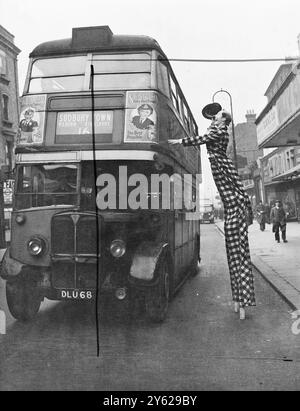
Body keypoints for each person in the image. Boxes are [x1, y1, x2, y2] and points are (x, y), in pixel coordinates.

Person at [168, 103, 255, 320]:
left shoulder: (219, 131)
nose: (214, 118)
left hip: (230, 193)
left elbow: (202, 139)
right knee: (235, 256)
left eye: (216, 116)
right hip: (229, 198)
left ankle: (242, 299)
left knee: (238, 257)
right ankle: (239, 300)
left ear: (223, 120)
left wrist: (180, 141)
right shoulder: (219, 129)